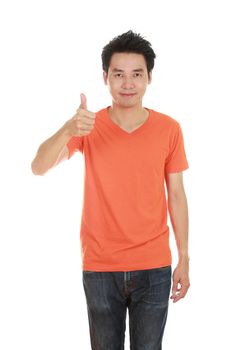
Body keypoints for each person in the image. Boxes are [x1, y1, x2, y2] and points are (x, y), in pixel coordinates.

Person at [31, 30, 190, 350]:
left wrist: (184, 256)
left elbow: (176, 194)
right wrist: (67, 128)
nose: (127, 83)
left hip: (154, 266)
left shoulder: (169, 128)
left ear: (149, 78)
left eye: (136, 75)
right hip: (100, 266)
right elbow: (38, 166)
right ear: (105, 77)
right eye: (119, 75)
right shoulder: (87, 126)